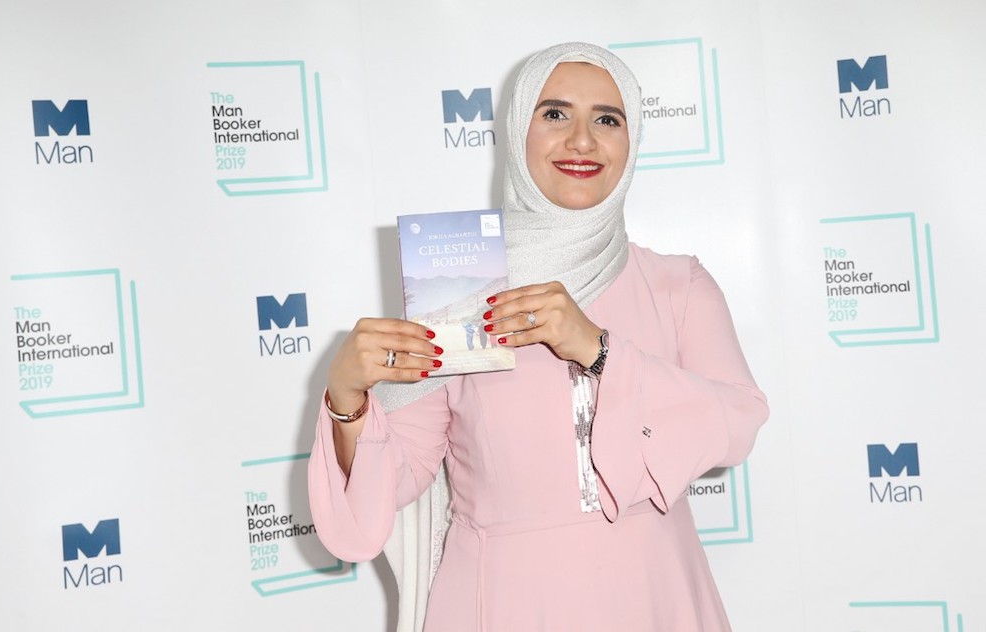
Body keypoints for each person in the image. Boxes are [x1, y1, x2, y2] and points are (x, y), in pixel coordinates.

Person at [309, 42, 768, 631]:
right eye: (554, 114)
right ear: (518, 132)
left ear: (631, 144)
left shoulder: (678, 285)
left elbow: (737, 424)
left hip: (654, 597)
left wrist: (600, 350)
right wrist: (347, 398)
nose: (582, 140)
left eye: (608, 118)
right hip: (504, 603)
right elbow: (393, 480)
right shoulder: (460, 286)